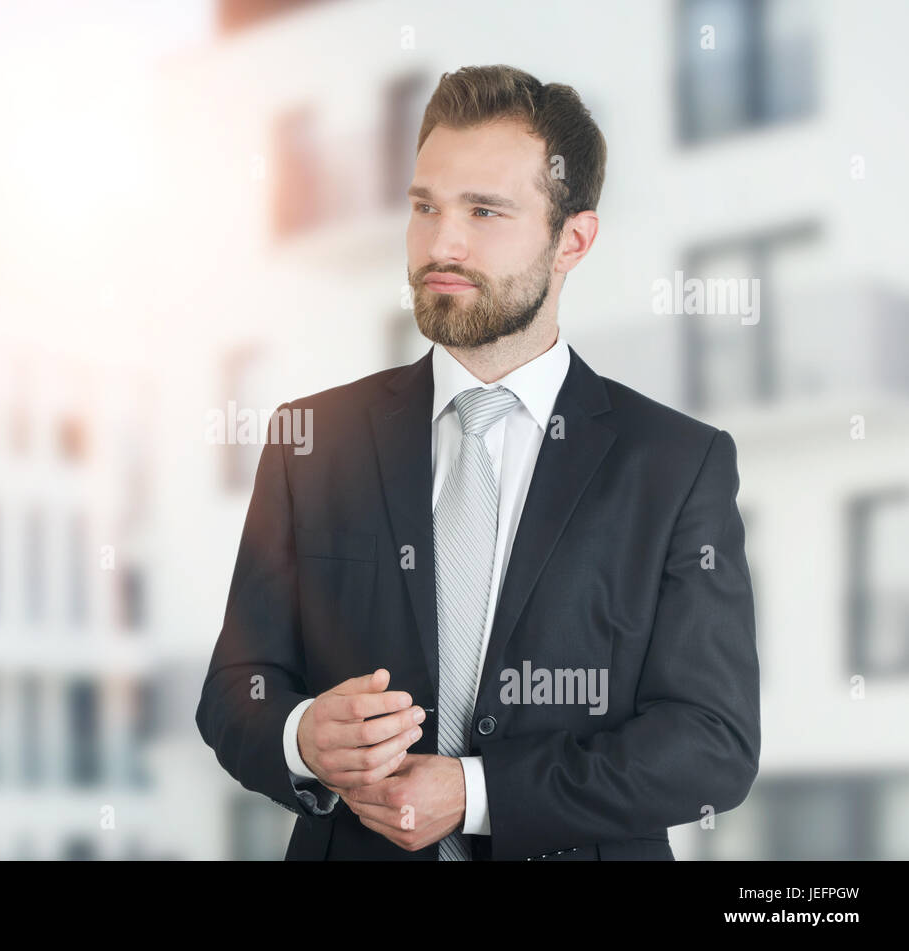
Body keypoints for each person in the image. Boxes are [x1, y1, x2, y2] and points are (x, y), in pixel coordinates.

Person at [196, 64, 760, 860]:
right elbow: (233, 691)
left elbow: (712, 744)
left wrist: (478, 790)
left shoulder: (676, 465)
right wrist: (300, 737)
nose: (442, 244)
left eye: (484, 211)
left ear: (574, 240)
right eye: (424, 207)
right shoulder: (310, 438)